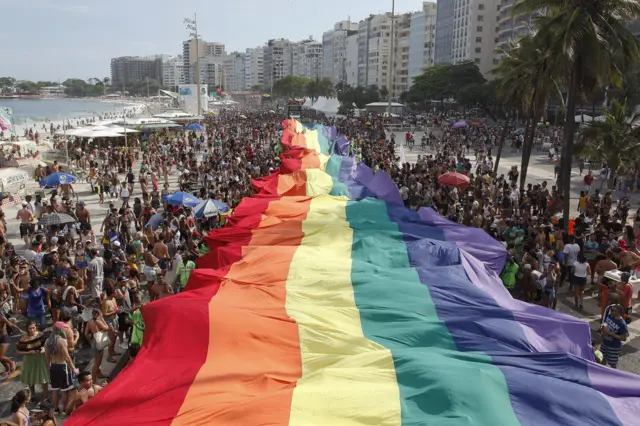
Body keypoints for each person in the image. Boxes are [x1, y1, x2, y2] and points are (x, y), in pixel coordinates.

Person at [45, 323, 79, 416]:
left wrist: (49, 368)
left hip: (53, 367)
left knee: (55, 390)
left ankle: (56, 409)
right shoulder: (62, 341)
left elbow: (47, 357)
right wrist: (74, 369)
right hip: (63, 367)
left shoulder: (47, 341)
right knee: (65, 390)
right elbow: (67, 358)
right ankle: (64, 410)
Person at [16, 320, 49, 406]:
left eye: (33, 328)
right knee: (31, 379)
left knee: (44, 379)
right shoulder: (23, 339)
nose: (32, 330)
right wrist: (28, 353)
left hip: (40, 359)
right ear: (27, 329)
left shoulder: (40, 335)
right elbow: (18, 351)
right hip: (29, 360)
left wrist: (43, 349)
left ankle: (46, 398)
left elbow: (45, 345)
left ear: (36, 327)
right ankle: (33, 396)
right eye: (30, 328)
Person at [600, 304, 629, 369]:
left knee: (612, 364)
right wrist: (602, 331)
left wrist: (610, 333)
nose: (611, 311)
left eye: (613, 310)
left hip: (613, 347)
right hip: (604, 343)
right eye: (611, 309)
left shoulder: (622, 324)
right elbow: (605, 326)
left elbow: (624, 338)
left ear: (618, 312)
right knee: (601, 359)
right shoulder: (610, 316)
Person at [85, 308, 111, 380]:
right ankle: (93, 380)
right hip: (98, 343)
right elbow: (107, 328)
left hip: (94, 341)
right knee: (97, 363)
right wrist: (102, 319)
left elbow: (86, 333)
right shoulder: (98, 321)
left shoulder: (89, 322)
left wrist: (90, 341)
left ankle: (99, 373)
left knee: (97, 361)